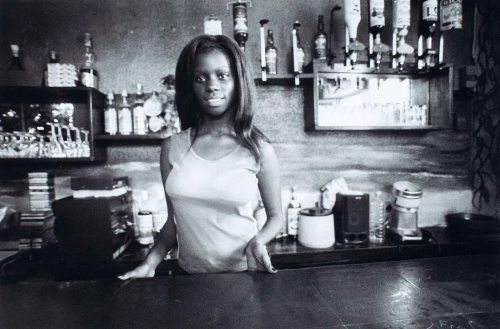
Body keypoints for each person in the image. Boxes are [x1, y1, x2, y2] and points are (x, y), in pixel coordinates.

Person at [118, 34, 283, 278]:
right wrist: (148, 264)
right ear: (190, 87)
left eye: (222, 75)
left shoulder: (258, 149)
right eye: (200, 78)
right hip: (189, 279)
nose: (212, 85)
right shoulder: (172, 147)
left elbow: (277, 216)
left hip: (243, 275)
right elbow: (173, 223)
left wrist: (258, 241)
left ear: (238, 82)